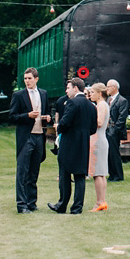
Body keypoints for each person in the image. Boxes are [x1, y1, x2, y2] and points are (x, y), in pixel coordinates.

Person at [49, 78, 96, 214]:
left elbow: (64, 122)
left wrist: (59, 127)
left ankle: (62, 205)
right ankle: (77, 207)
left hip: (69, 143)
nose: (66, 91)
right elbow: (93, 128)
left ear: (76, 88)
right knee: (80, 176)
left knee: (64, 173)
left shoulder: (71, 103)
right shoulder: (91, 105)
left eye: (68, 88)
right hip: (83, 144)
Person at [10, 67, 50, 213]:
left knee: (34, 172)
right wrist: (27, 116)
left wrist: (47, 117)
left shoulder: (43, 94)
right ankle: (21, 205)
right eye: (25, 79)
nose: (27, 81)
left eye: (29, 78)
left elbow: (46, 112)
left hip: (39, 136)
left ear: (36, 79)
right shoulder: (18, 95)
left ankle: (31, 202)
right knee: (22, 172)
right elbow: (12, 116)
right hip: (26, 137)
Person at [88, 82, 110, 212]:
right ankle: (102, 201)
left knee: (97, 173)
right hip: (100, 139)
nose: (91, 94)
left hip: (98, 139)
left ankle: (99, 202)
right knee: (101, 173)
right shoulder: (103, 105)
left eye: (93, 92)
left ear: (99, 94)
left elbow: (100, 122)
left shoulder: (101, 105)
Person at [106, 79, 129, 181]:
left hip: (114, 131)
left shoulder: (122, 101)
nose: (107, 89)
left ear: (114, 87)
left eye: (108, 86)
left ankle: (118, 175)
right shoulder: (108, 100)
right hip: (107, 130)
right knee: (108, 153)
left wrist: (115, 130)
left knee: (114, 153)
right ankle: (112, 173)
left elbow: (122, 117)